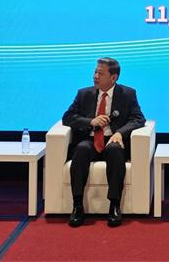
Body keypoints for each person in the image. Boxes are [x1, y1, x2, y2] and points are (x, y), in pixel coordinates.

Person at [62, 57, 146, 227]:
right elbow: (68, 117)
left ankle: (114, 205)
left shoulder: (128, 94)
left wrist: (120, 133)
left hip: (112, 140)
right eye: (95, 72)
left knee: (115, 150)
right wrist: (90, 121)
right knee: (81, 149)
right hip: (90, 139)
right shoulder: (84, 94)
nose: (95, 76)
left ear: (113, 77)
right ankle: (77, 206)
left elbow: (138, 119)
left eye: (100, 73)